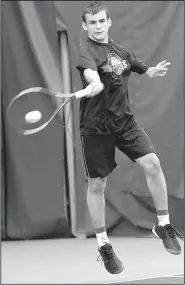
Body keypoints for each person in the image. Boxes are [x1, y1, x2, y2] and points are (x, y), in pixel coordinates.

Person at [74, 1, 183, 275]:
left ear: (109, 22)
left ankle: (163, 224)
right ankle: (103, 244)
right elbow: (89, 71)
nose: (98, 26)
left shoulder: (121, 51)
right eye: (93, 22)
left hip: (125, 123)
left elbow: (137, 66)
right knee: (97, 184)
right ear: (85, 26)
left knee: (153, 165)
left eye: (102, 21)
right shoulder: (85, 51)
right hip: (96, 129)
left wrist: (151, 71)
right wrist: (93, 81)